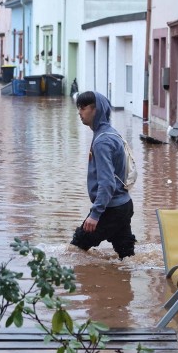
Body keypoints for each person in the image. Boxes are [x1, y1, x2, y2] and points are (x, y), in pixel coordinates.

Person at [71, 91, 136, 259]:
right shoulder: (111, 133)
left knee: (76, 250)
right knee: (127, 257)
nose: (79, 111)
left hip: (111, 209)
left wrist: (95, 214)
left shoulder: (102, 141)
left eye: (83, 107)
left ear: (96, 109)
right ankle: (123, 284)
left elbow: (107, 183)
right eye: (79, 107)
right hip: (124, 204)